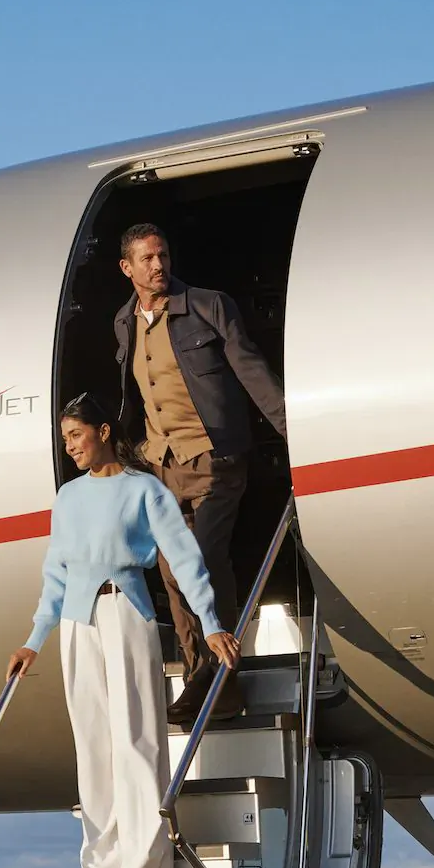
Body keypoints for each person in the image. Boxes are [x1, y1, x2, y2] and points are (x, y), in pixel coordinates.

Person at [7, 393, 239, 868]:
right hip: (75, 620)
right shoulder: (68, 496)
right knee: (92, 747)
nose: (70, 448)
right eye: (65, 439)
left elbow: (182, 555)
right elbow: (55, 570)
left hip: (126, 610)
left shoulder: (144, 490)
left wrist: (211, 623)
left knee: (136, 741)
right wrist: (34, 637)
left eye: (76, 436)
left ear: (104, 431)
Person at [113, 223, 288, 725]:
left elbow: (252, 370)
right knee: (171, 573)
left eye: (163, 255)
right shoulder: (124, 322)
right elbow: (135, 394)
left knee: (203, 561)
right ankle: (205, 677)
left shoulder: (208, 305)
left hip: (215, 456)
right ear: (127, 268)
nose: (158, 266)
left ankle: (217, 677)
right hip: (161, 465)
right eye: (146, 259)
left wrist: (290, 431)